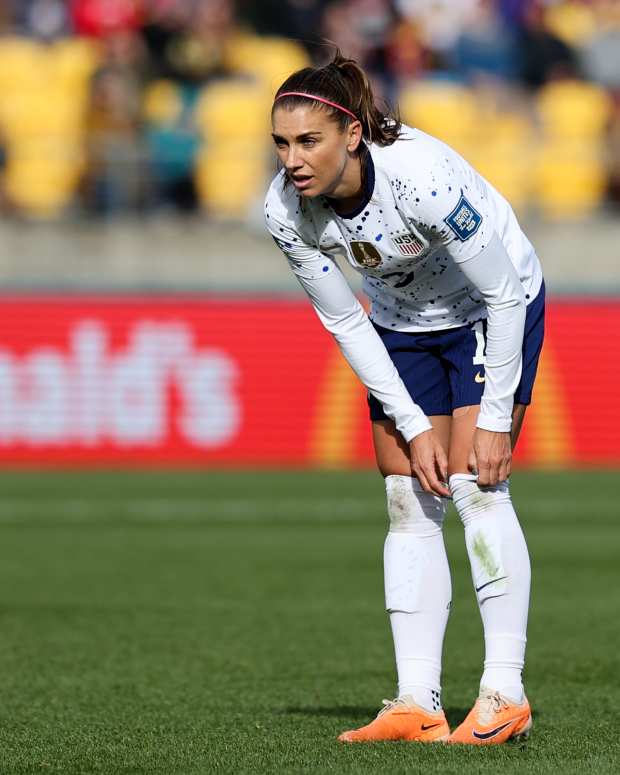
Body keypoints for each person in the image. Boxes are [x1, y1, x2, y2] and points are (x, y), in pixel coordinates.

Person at [264, 50, 544, 745]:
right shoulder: (283, 209)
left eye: (308, 141)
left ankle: (504, 692)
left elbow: (504, 290)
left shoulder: (418, 176)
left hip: (491, 308)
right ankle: (417, 701)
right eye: (281, 142)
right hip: (400, 324)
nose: (292, 159)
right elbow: (344, 319)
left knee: (476, 485)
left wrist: (498, 413)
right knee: (408, 499)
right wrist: (414, 422)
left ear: (352, 135)